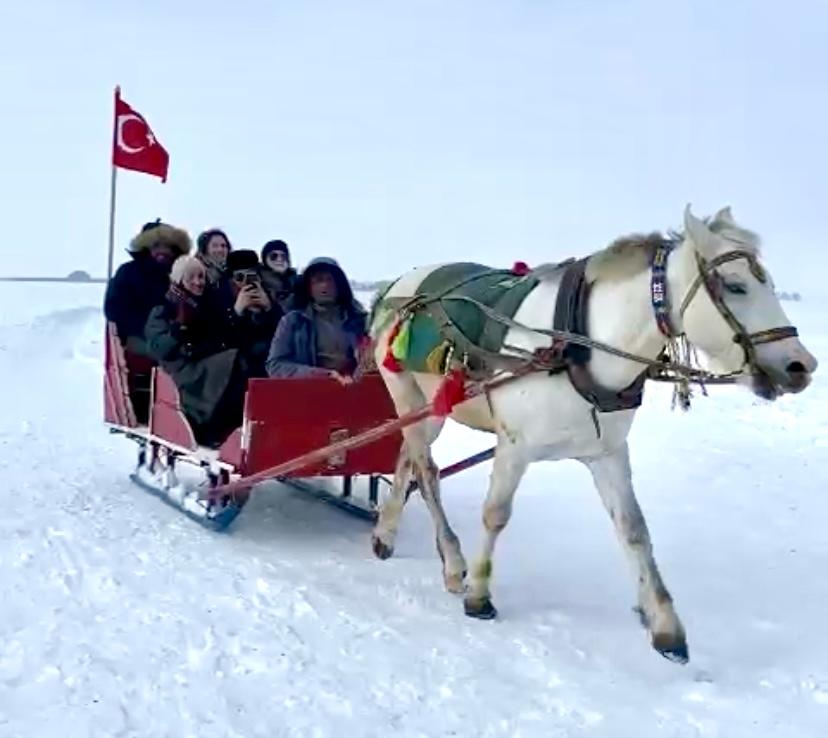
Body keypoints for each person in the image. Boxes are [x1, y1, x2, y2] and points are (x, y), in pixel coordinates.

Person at [144, 255, 248, 447]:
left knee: (239, 362)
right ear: (179, 279)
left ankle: (233, 426)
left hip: (204, 362)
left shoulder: (209, 305)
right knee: (231, 363)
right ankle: (211, 428)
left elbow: (224, 334)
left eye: (201, 277)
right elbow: (157, 348)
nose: (198, 282)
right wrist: (177, 329)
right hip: (180, 369)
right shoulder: (165, 308)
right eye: (191, 277)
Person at [265, 257, 367, 384]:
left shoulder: (360, 320)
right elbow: (275, 366)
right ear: (308, 287)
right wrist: (323, 375)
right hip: (310, 393)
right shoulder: (292, 322)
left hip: (354, 390)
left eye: (330, 279)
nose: (325, 285)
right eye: (318, 280)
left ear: (340, 284)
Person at [104, 220, 191, 356]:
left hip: (175, 335)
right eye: (156, 246)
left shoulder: (183, 274)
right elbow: (115, 309)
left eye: (168, 246)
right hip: (138, 335)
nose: (163, 251)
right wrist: (153, 330)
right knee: (170, 354)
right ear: (146, 247)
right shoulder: (128, 272)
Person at [222, 249, 283, 375]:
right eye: (240, 277)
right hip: (233, 369)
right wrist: (236, 313)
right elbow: (220, 340)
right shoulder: (221, 300)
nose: (245, 282)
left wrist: (269, 309)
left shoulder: (270, 295)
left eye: (251, 276)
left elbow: (284, 334)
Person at [259, 239, 298, 310]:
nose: (279, 259)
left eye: (283, 256)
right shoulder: (258, 284)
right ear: (265, 259)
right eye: (274, 256)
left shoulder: (299, 284)